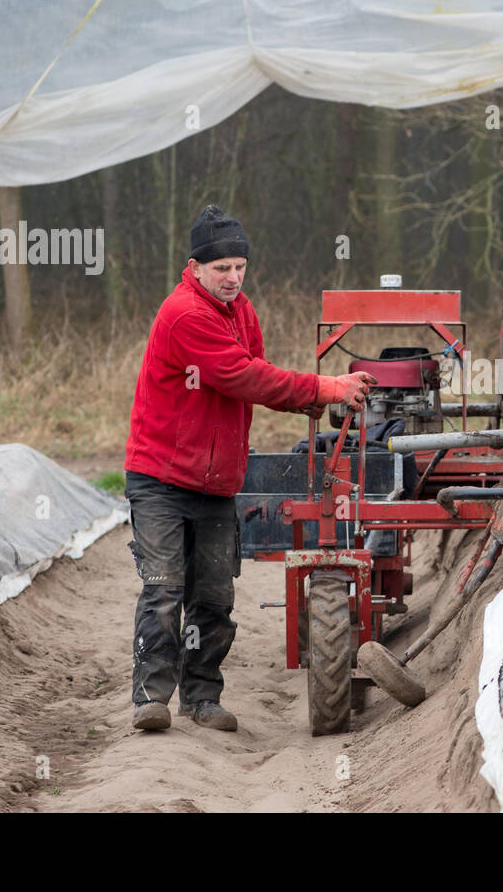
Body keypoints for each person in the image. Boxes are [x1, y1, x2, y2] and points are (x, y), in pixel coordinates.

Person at [123, 205, 375, 732]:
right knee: (165, 588)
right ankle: (152, 698)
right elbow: (244, 378)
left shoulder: (242, 310)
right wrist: (324, 387)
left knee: (214, 596)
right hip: (161, 478)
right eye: (222, 269)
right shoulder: (185, 315)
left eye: (240, 267)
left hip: (216, 481)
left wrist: (307, 402)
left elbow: (255, 377)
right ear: (194, 268)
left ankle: (202, 698)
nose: (233, 278)